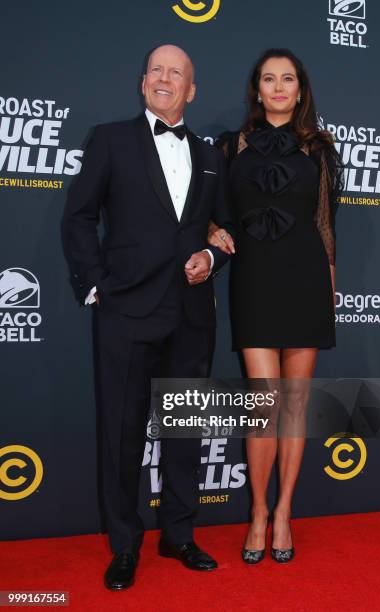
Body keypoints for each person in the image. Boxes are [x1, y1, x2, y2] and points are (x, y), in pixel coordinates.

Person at [62, 44, 234, 590]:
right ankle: (125, 544)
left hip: (190, 316)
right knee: (121, 434)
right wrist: (94, 287)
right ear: (142, 84)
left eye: (176, 73)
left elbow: (225, 230)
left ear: (192, 89)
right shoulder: (110, 139)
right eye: (156, 71)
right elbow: (79, 217)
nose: (165, 79)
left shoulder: (210, 155)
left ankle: (179, 534)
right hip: (126, 313)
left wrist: (212, 258)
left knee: (184, 431)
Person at [209, 48, 343, 564]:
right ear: (257, 88)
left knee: (294, 405)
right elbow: (206, 206)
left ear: (301, 89)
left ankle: (285, 511)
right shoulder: (230, 146)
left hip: (306, 278)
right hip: (256, 279)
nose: (279, 87)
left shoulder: (319, 149)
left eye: (288, 79)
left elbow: (326, 225)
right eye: (270, 79)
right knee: (263, 405)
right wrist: (213, 230)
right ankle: (257, 512)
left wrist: (330, 282)